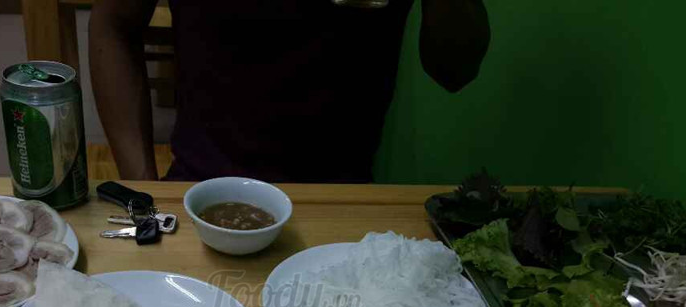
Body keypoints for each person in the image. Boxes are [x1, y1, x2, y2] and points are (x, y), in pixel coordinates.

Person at [89, 0, 490, 182]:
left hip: (344, 203)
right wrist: (141, 189)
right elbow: (114, 23)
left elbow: (456, 71)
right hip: (201, 188)